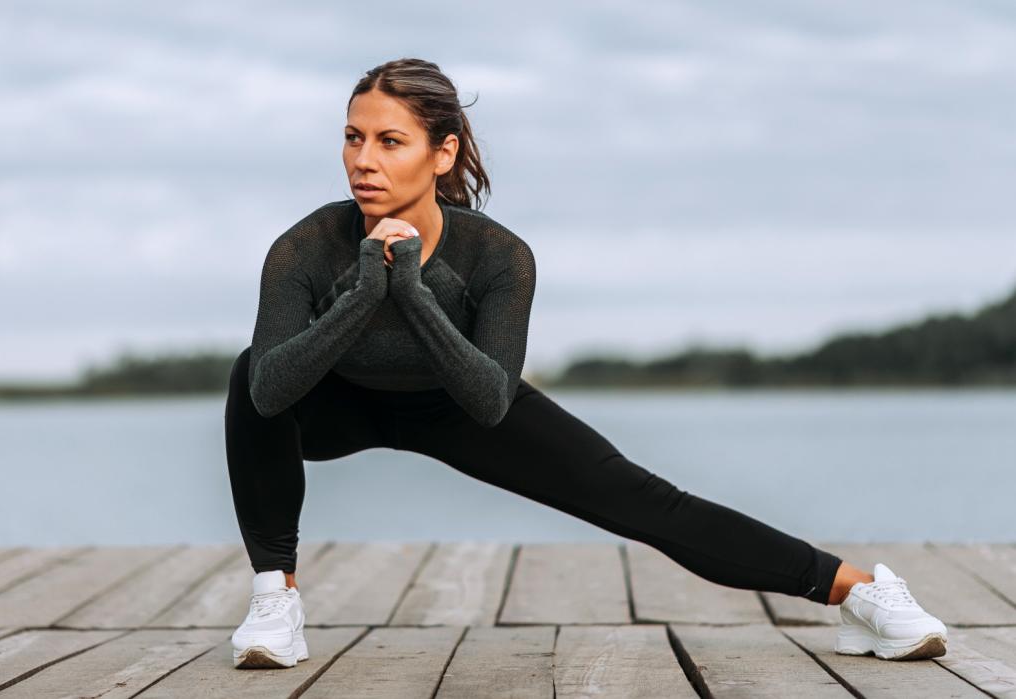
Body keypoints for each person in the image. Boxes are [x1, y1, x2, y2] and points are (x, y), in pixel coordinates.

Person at [225, 57, 948, 669]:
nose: (363, 159)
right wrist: (363, 289)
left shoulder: (499, 258)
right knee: (247, 370)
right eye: (353, 138)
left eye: (390, 140)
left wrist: (410, 289)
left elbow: (487, 401)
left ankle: (860, 592)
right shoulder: (306, 247)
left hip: (460, 401)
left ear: (441, 153)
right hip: (337, 399)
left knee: (643, 499)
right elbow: (268, 390)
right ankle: (274, 600)